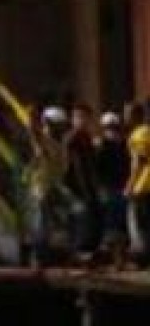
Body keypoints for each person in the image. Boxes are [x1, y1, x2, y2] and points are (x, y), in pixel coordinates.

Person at [26, 105, 71, 267]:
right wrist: (31, 119)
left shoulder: (61, 143)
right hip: (42, 188)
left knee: (68, 216)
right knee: (41, 224)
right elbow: (34, 134)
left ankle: (59, 254)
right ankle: (38, 258)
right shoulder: (44, 140)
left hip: (55, 186)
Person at [65, 103, 102, 257]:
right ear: (72, 119)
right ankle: (79, 251)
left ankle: (89, 250)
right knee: (80, 217)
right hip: (76, 186)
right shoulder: (71, 138)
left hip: (89, 185)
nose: (82, 121)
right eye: (78, 117)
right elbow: (74, 166)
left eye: (85, 117)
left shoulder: (87, 138)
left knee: (92, 216)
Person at [95, 111, 130, 267]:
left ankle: (120, 258)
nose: (112, 131)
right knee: (112, 225)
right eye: (109, 127)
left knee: (121, 225)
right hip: (109, 189)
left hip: (122, 188)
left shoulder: (124, 145)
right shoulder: (101, 146)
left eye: (115, 127)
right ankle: (115, 259)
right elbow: (97, 170)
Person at [125, 99, 150, 268]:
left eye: (127, 113)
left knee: (137, 224)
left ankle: (141, 258)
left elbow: (138, 161)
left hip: (143, 185)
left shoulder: (138, 134)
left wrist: (130, 184)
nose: (124, 116)